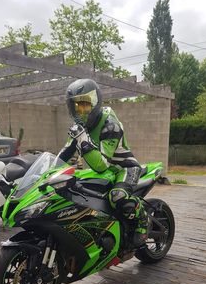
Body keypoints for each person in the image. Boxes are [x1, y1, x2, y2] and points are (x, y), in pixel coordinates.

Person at [58, 78, 148, 245]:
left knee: (118, 196)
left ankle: (142, 221)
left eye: (85, 104)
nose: (81, 111)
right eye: (76, 106)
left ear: (95, 101)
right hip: (104, 171)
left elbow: (101, 165)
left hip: (124, 168)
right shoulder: (79, 127)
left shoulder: (111, 126)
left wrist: (82, 139)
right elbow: (64, 154)